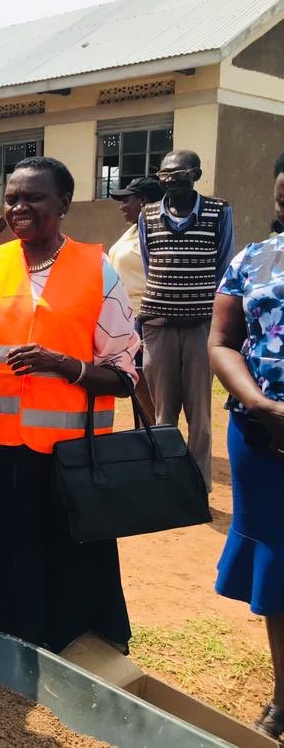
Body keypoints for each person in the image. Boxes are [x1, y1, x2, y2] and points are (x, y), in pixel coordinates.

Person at [0, 156, 139, 653]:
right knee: (0, 551)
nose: (18, 207)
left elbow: (126, 376)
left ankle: (65, 631)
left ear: (64, 204)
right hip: (1, 447)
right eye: (11, 198)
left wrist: (65, 366)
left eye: (33, 198)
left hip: (69, 455)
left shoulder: (98, 270)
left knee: (66, 556)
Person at [207, 150, 284, 741]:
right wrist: (257, 403)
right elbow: (224, 341)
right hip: (266, 439)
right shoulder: (252, 260)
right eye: (283, 198)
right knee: (279, 567)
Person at [138, 149, 233, 489]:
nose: (169, 181)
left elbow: (223, 264)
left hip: (200, 327)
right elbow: (152, 265)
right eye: (164, 175)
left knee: (200, 414)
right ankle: (168, 485)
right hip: (158, 325)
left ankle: (197, 486)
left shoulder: (218, 211)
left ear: (196, 173)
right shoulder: (147, 214)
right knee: (163, 414)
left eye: (177, 175)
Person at [107, 176, 164, 425]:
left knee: (144, 385)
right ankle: (147, 434)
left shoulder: (158, 230)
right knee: (135, 384)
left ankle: (157, 436)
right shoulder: (134, 230)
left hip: (146, 319)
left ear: (143, 201)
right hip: (127, 320)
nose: (121, 207)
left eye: (126, 200)